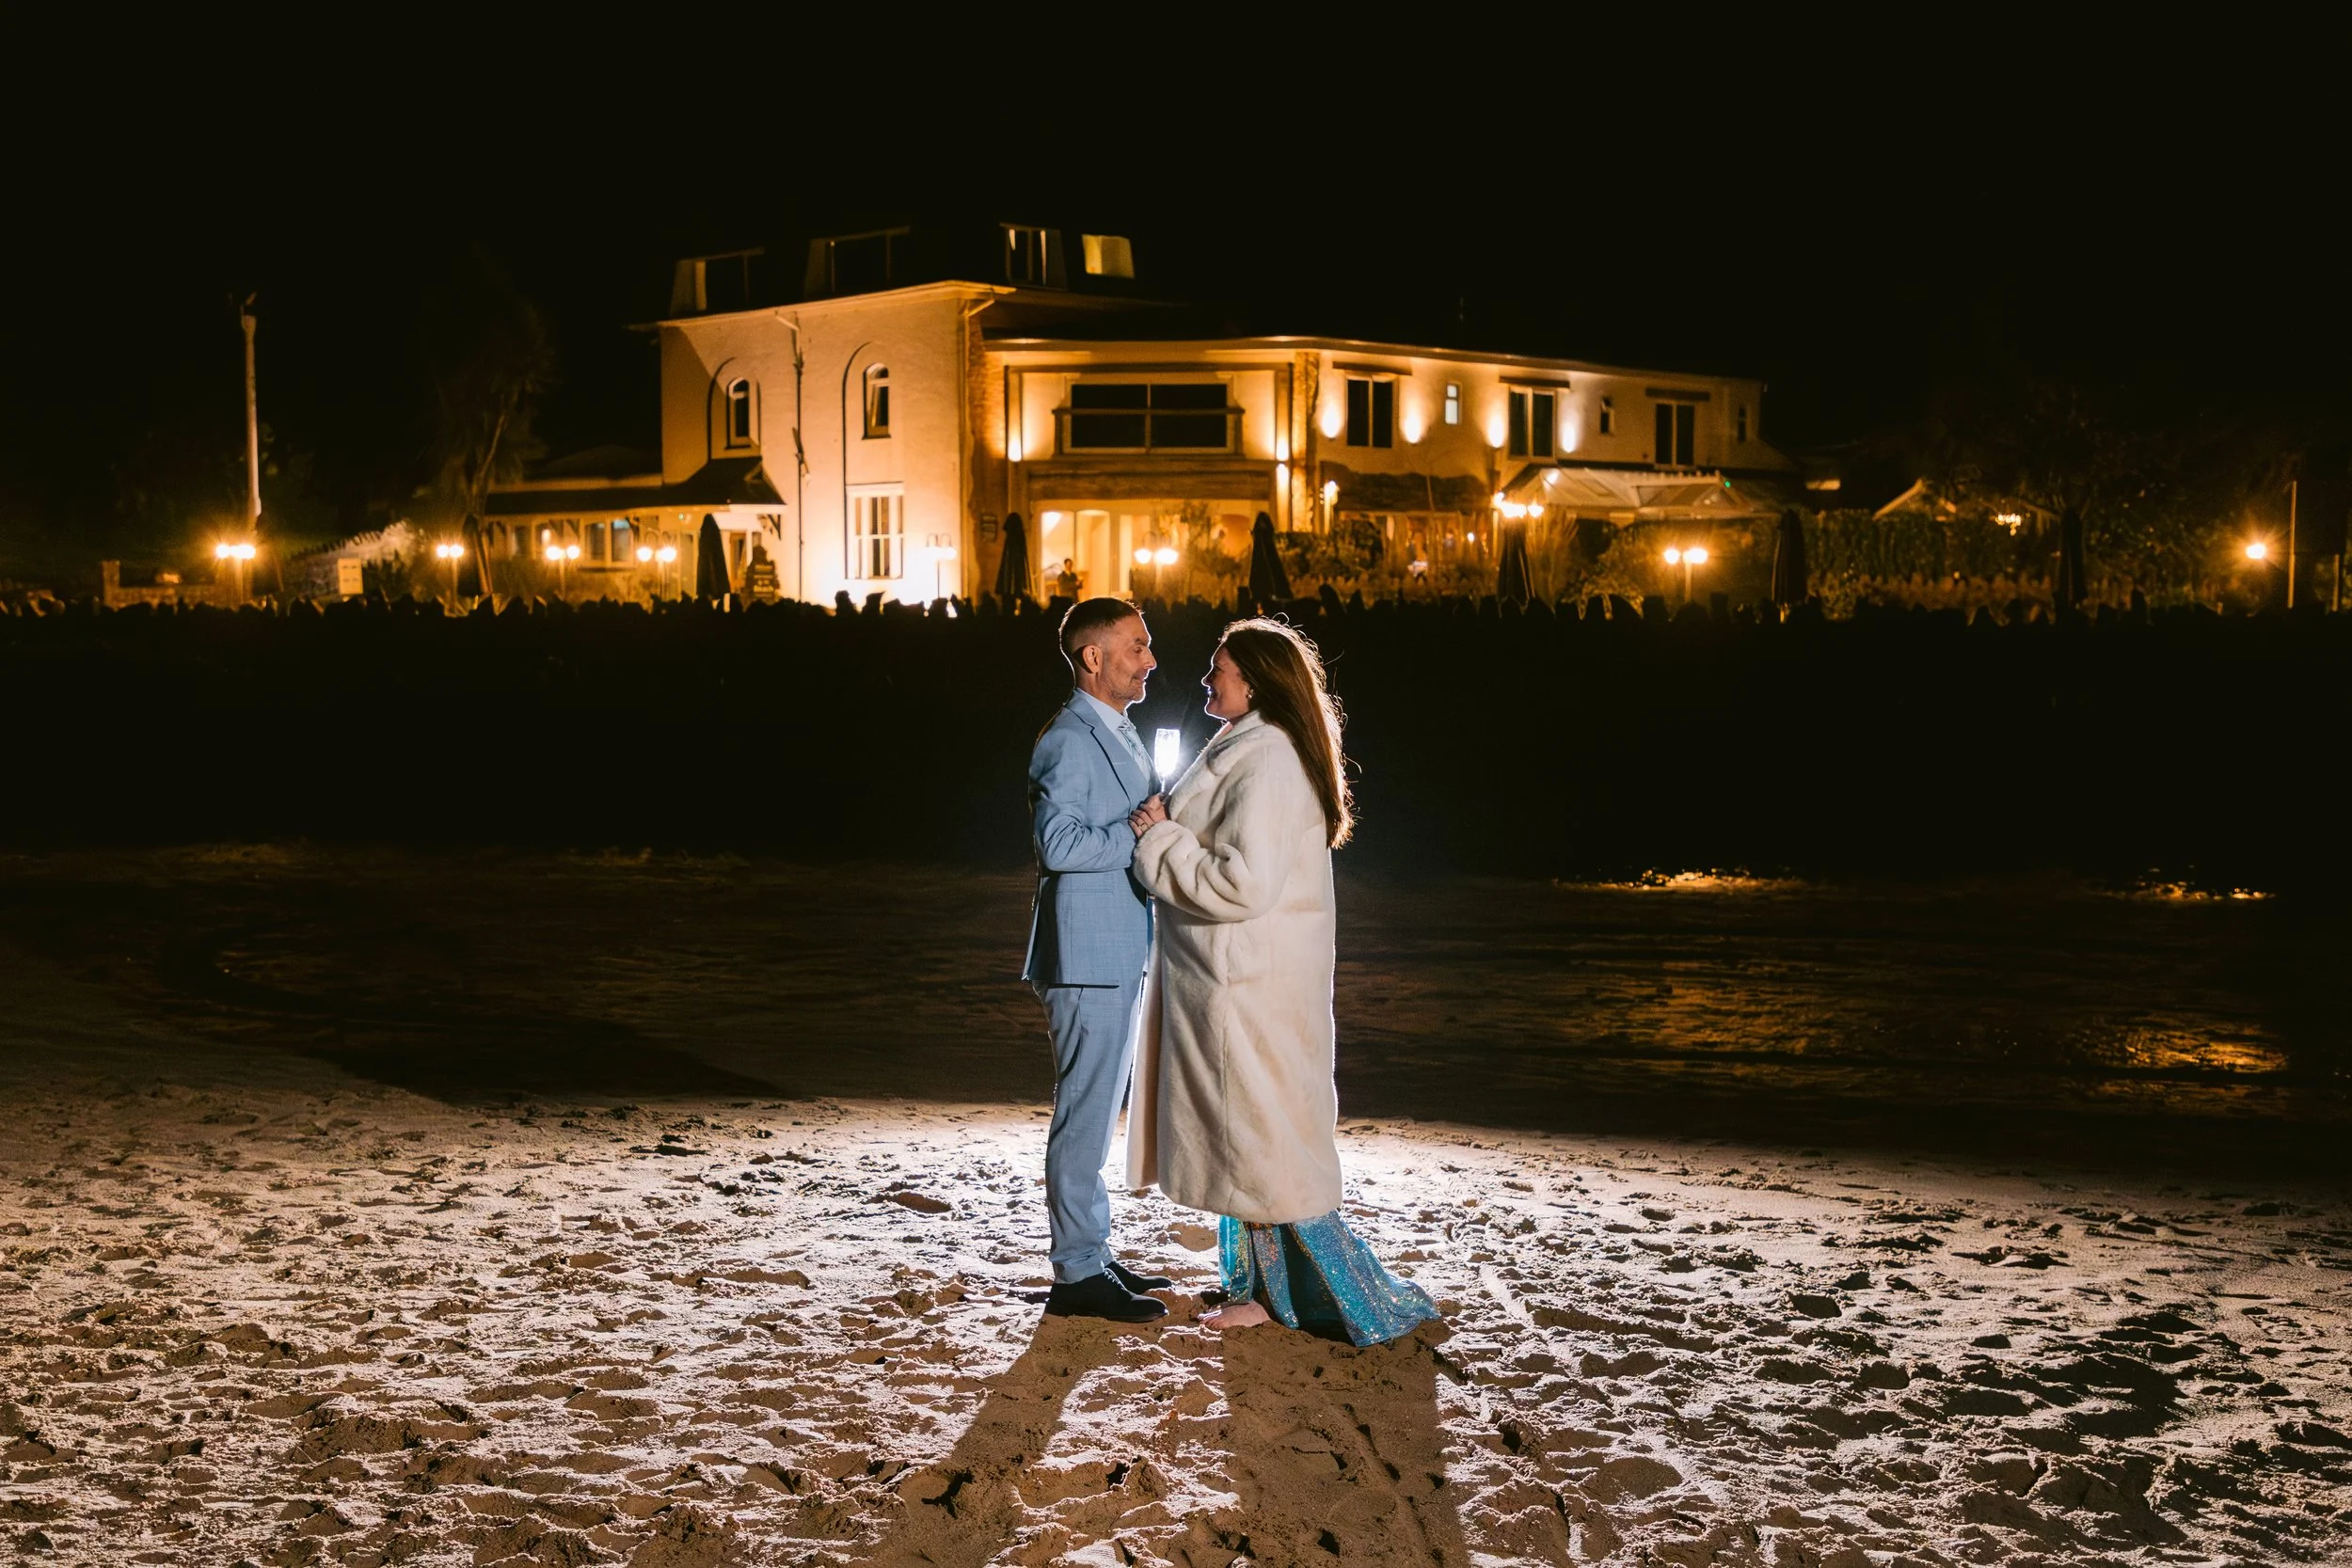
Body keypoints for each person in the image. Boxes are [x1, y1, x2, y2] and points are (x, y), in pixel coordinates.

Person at [1124, 620, 1438, 1345]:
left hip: (1245, 987)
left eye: (1219, 667)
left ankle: (1283, 1299)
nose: (1207, 678)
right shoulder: (1257, 746)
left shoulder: (1265, 758)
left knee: (1258, 1138)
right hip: (1244, 981)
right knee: (1255, 1139)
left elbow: (1243, 883)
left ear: (1257, 682)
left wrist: (1159, 839)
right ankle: (1260, 1288)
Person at [1023, 596, 1177, 1323]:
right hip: (1086, 953)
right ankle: (1077, 1271)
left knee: (1096, 1108)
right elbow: (1057, 846)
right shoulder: (1069, 737)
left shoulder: (1115, 731)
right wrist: (1140, 837)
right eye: (1137, 647)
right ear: (1093, 657)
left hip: (1111, 944)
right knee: (1084, 1113)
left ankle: (1092, 1250)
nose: (1150, 660)